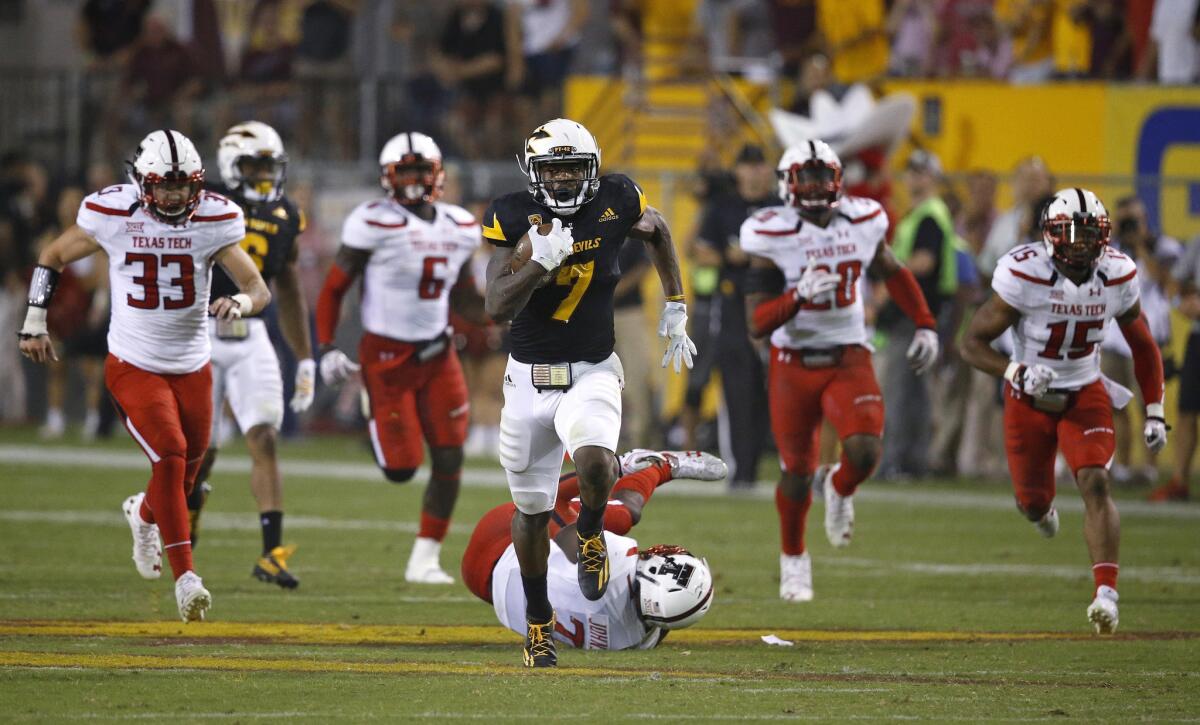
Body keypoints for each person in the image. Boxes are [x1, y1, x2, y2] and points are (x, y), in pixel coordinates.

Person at [17, 129, 271, 622]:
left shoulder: (215, 217)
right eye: (165, 185)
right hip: (134, 363)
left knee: (186, 478)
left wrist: (239, 302)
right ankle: (188, 580)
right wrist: (33, 320)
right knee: (172, 457)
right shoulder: (113, 212)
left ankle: (143, 512)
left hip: (193, 366)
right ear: (141, 182)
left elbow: (256, 287)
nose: (175, 195)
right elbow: (51, 256)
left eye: (183, 185)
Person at [482, 118, 695, 667]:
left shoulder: (618, 198)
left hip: (592, 368)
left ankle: (593, 533)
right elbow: (496, 305)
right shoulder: (512, 216)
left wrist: (675, 304)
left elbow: (660, 230)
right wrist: (537, 264)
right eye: (552, 170)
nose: (562, 179)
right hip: (527, 380)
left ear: (592, 168)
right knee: (530, 511)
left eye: (572, 168)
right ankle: (537, 624)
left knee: (598, 459)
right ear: (534, 174)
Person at [961, 188, 1167, 634]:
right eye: (1070, 233)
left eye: (1089, 233)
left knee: (1095, 480)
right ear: (1049, 235)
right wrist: (1016, 371)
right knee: (1032, 503)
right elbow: (971, 344)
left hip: (1084, 389)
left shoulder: (1116, 273)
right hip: (1028, 398)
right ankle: (1041, 512)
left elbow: (1144, 345)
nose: (1080, 243)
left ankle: (1106, 594)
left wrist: (1154, 409)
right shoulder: (1023, 273)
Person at [741, 139, 939, 602]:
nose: (814, 187)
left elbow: (892, 270)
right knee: (795, 469)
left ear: (838, 181)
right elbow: (757, 321)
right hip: (794, 361)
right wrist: (798, 297)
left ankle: (840, 484)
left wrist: (926, 324)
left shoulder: (864, 221)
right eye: (804, 178)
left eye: (821, 177)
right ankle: (793, 558)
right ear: (787, 185)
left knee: (867, 449)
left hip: (849, 353)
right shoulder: (770, 233)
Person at [316, 131, 485, 584]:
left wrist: (514, 311)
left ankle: (424, 559)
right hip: (386, 356)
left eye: (420, 171)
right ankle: (372, 411)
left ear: (437, 175)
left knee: (450, 456)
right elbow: (335, 288)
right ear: (388, 178)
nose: (413, 181)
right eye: (404, 172)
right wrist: (327, 346)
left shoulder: (461, 226)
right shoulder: (372, 222)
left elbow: (467, 299)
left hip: (438, 352)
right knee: (401, 469)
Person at [185, 121, 314, 589]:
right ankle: (188, 526)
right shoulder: (206, 203)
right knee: (204, 450)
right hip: (200, 329)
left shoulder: (285, 213)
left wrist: (305, 358)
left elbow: (291, 288)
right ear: (229, 165)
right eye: (253, 164)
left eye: (268, 165)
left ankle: (271, 554)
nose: (263, 174)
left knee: (265, 437)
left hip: (252, 330)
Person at [462, 449, 725, 653]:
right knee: (607, 519)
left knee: (622, 514)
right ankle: (654, 466)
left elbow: (555, 508)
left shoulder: (618, 565)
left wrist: (607, 471)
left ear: (657, 571)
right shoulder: (636, 640)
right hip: (485, 588)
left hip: (500, 539)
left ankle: (646, 464)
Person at [687, 143, 779, 488]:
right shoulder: (724, 207)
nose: (755, 172)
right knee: (738, 390)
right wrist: (732, 257)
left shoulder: (779, 207)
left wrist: (753, 256)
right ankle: (743, 471)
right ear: (738, 170)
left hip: (775, 306)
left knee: (772, 390)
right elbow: (700, 250)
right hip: (734, 307)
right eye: (749, 165)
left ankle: (787, 464)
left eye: (760, 165)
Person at [876, 149, 958, 478]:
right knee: (916, 393)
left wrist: (889, 282)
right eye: (911, 171)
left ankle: (893, 460)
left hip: (913, 314)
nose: (915, 177)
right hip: (921, 315)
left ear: (934, 177)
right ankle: (915, 460)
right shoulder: (923, 213)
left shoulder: (929, 215)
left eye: (922, 171)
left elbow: (925, 261)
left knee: (898, 389)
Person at [1150, 232, 1200, 501]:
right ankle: (1180, 480)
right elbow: (1174, 284)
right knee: (1187, 410)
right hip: (1198, 335)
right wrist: (1184, 304)